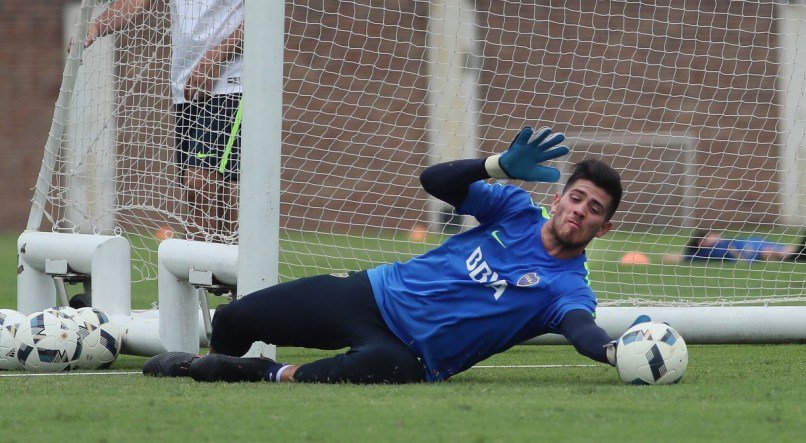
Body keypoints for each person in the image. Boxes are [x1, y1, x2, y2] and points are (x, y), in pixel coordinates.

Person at [144, 126, 632, 383]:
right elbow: (434, 181)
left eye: (594, 210)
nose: (580, 212)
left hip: (410, 355)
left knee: (380, 370)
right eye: (576, 198)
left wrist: (617, 352)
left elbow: (581, 329)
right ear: (558, 198)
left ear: (603, 228)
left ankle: (264, 373)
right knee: (235, 319)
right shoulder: (515, 211)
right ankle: (204, 367)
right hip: (372, 294)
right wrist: (496, 165)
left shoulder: (568, 287)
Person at [83, 0, 244, 241]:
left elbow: (265, 18)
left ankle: (198, 271)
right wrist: (96, 27)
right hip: (186, 87)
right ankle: (228, 270)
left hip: (231, 85)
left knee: (199, 184)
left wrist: (215, 57)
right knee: (220, 192)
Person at [662, 229, 806, 264]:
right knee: (769, 251)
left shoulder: (723, 241)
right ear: (702, 242)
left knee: (785, 248)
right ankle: (797, 256)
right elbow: (674, 257)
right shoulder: (706, 251)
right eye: (711, 235)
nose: (716, 235)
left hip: (752, 242)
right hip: (747, 251)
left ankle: (798, 253)